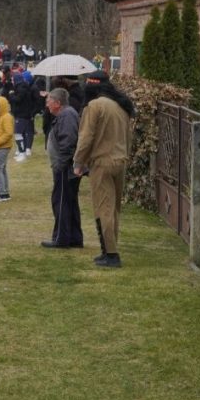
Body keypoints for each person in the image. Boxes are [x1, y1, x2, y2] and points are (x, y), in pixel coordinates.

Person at [74, 71, 135, 268]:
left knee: (103, 208)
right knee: (114, 208)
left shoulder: (94, 106)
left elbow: (86, 137)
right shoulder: (121, 105)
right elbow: (128, 136)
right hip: (120, 161)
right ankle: (109, 249)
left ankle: (110, 253)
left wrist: (78, 162)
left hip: (102, 162)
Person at [43, 87, 83, 249]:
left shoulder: (67, 115)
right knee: (68, 201)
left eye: (49, 101)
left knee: (61, 202)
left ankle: (62, 239)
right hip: (65, 167)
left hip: (65, 168)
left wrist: (61, 165)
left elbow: (68, 142)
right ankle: (74, 237)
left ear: (58, 103)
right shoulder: (66, 114)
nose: (47, 105)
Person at [0, 96, 13, 201]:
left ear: (3, 106)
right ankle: (5, 192)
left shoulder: (6, 117)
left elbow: (8, 133)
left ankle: (2, 193)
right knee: (2, 168)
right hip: (0, 146)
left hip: (3, 146)